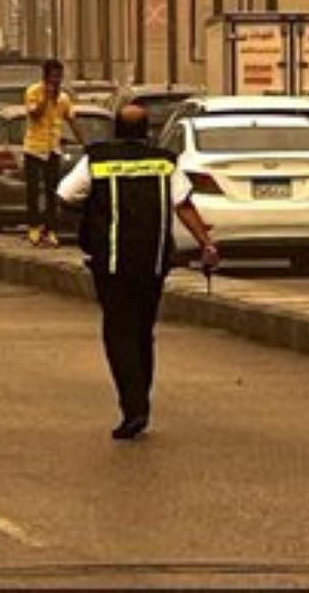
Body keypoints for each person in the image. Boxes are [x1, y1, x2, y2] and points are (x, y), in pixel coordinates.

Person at [57, 103, 219, 440]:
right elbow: (183, 204)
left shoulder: (97, 160)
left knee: (118, 333)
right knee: (143, 331)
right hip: (153, 261)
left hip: (112, 263)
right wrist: (206, 242)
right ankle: (141, 401)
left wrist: (93, 216)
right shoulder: (163, 161)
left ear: (115, 129)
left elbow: (66, 194)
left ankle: (132, 408)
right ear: (147, 130)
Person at [23, 58, 85, 248]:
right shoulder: (33, 92)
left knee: (52, 191)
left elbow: (72, 121)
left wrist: (85, 143)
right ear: (45, 77)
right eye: (53, 77)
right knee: (33, 190)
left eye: (59, 77)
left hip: (53, 149)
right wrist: (46, 98)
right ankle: (33, 227)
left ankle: (50, 229)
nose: (56, 80)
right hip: (34, 148)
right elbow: (34, 114)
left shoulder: (63, 99)